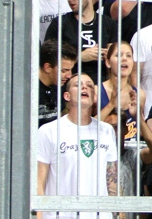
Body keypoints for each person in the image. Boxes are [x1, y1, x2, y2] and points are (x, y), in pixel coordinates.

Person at [36, 73, 119, 215]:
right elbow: (39, 181)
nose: (84, 87)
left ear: (94, 97)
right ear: (67, 96)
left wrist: (118, 214)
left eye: (89, 85)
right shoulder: (48, 131)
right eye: (78, 85)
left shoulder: (106, 131)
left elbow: (112, 179)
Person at [37, 40, 77, 127]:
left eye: (71, 70)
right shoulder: (29, 90)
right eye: (64, 70)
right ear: (48, 67)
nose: (69, 76)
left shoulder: (60, 87)